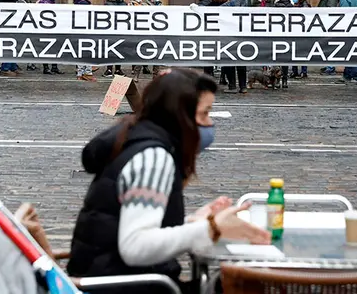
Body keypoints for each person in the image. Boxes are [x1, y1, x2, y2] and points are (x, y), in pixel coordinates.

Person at [67, 68, 270, 292]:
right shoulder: (153, 157)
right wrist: (210, 228)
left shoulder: (136, 138)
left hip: (116, 279)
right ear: (179, 116)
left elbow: (138, 224)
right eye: (204, 114)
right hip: (126, 285)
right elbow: (135, 246)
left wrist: (194, 222)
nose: (209, 122)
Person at [220, 0, 249, 94]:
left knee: (229, 60)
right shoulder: (245, 2)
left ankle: (232, 86)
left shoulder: (228, 5)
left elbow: (214, 11)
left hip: (230, 36)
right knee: (241, 61)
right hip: (242, 35)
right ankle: (243, 86)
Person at [0, 0, 26, 75]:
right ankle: (5, 68)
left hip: (11, 20)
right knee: (9, 44)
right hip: (6, 21)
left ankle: (12, 66)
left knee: (14, 43)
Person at [74, 0, 96, 82]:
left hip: (80, 29)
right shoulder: (83, 3)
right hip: (85, 29)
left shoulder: (78, 1)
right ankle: (87, 72)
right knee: (88, 50)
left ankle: (80, 73)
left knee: (81, 51)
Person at [38, 0, 62, 75]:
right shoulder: (42, 3)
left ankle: (54, 67)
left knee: (55, 48)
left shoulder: (53, 4)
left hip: (54, 30)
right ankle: (46, 67)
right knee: (46, 49)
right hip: (45, 30)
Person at [103, 0, 126, 78]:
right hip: (110, 29)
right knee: (110, 50)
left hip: (120, 29)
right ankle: (109, 69)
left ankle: (118, 69)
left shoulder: (124, 4)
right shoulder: (107, 3)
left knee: (119, 50)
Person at [289, 0, 310, 79]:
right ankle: (295, 71)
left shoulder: (305, 7)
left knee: (302, 52)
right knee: (294, 52)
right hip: (294, 31)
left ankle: (303, 72)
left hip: (302, 33)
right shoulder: (294, 6)